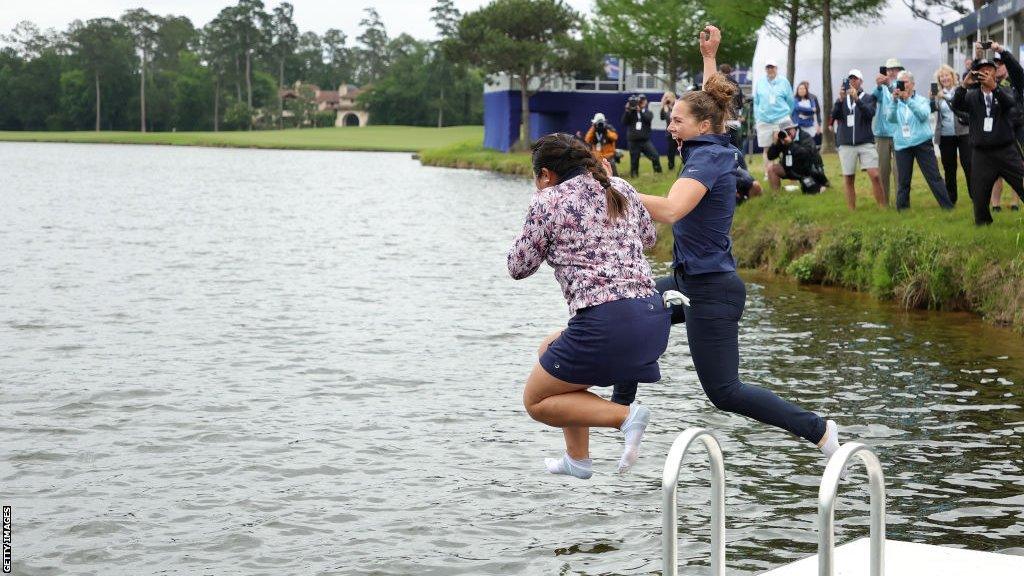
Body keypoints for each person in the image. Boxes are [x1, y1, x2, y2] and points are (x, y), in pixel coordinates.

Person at [632, 25, 843, 466]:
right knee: (627, 305)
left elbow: (671, 209)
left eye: (676, 121)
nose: (670, 126)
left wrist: (614, 190)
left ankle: (818, 428)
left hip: (711, 290)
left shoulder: (708, 156)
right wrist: (710, 56)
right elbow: (712, 101)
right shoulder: (709, 138)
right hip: (688, 280)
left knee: (724, 392)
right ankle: (621, 412)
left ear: (702, 127)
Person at [508, 133, 671, 479]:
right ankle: (577, 459)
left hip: (607, 324)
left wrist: (540, 209)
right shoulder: (620, 188)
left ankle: (624, 417)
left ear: (546, 175)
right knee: (549, 350)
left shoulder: (547, 200)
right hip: (653, 318)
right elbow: (650, 239)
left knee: (535, 401)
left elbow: (518, 267)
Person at [951, 59, 1024, 225]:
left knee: (1021, 182)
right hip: (982, 153)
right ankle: (983, 224)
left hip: (1006, 149)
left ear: (995, 72)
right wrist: (964, 86)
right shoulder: (971, 96)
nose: (986, 73)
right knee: (979, 192)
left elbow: (1010, 104)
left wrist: (995, 88)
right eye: (981, 70)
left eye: (989, 69)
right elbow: (956, 105)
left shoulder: (1005, 91)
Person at [887, 70, 954, 211]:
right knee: (903, 181)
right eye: (900, 82)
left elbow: (923, 115)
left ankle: (947, 207)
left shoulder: (921, 100)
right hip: (902, 145)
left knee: (933, 177)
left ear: (912, 84)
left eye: (905, 82)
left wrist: (908, 100)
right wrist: (894, 101)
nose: (902, 85)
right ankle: (903, 210)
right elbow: (890, 119)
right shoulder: (895, 101)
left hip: (922, 143)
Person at [830, 69, 886, 210]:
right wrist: (840, 99)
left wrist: (857, 100)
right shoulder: (842, 99)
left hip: (865, 142)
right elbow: (834, 116)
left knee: (875, 175)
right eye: (850, 79)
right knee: (848, 178)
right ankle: (851, 210)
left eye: (855, 79)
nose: (852, 82)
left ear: (861, 81)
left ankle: (882, 208)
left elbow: (869, 114)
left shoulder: (868, 97)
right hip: (846, 143)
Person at [987, 45, 1023, 212]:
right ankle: (995, 205)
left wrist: (1001, 51)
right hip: (999, 129)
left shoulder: (1015, 80)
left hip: (1017, 128)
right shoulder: (991, 84)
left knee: (1019, 166)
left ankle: (1015, 202)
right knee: (996, 168)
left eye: (1000, 64)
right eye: (995, 65)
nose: (997, 67)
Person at [932, 64, 972, 205]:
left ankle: (975, 196)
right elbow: (932, 110)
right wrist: (933, 99)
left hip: (963, 133)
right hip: (945, 135)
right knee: (949, 168)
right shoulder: (937, 94)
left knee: (968, 165)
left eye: (947, 75)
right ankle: (951, 198)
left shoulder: (961, 91)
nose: (944, 78)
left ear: (953, 76)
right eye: (941, 76)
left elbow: (964, 107)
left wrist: (947, 98)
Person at [754, 59, 795, 180]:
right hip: (764, 119)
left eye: (772, 67)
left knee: (783, 145)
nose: (770, 69)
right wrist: (757, 116)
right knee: (767, 148)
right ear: (766, 69)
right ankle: (768, 173)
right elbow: (756, 101)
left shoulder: (784, 81)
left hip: (781, 118)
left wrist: (787, 113)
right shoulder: (760, 82)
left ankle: (783, 171)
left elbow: (790, 100)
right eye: (768, 67)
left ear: (776, 68)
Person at [765, 118, 829, 194]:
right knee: (772, 169)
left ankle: (821, 184)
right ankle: (776, 195)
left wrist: (791, 144)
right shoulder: (783, 139)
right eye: (785, 131)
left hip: (808, 170)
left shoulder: (805, 136)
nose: (787, 133)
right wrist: (775, 144)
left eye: (789, 130)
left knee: (811, 191)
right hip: (790, 169)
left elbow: (806, 154)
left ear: (794, 128)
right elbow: (770, 156)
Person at [873, 58, 905, 206]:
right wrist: (879, 86)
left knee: (899, 170)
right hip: (882, 134)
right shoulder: (881, 87)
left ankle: (901, 202)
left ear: (900, 71)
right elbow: (874, 96)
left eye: (894, 69)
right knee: (883, 170)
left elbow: (900, 96)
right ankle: (884, 203)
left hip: (898, 132)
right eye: (889, 69)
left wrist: (888, 84)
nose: (891, 72)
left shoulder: (902, 85)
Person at [622, 94, 662, 177]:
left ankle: (658, 172)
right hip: (633, 141)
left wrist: (639, 110)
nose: (641, 102)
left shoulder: (648, 112)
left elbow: (648, 119)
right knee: (634, 160)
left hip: (645, 140)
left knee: (655, 156)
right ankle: (634, 175)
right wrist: (627, 110)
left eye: (643, 100)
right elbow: (624, 122)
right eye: (640, 101)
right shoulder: (631, 112)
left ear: (646, 101)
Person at [660, 91, 679, 171]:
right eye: (665, 97)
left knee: (682, 149)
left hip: (679, 131)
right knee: (670, 151)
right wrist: (664, 106)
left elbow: (672, 117)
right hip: (670, 133)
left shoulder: (677, 105)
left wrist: (669, 108)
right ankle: (671, 166)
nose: (667, 99)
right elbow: (663, 117)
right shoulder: (665, 108)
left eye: (668, 97)